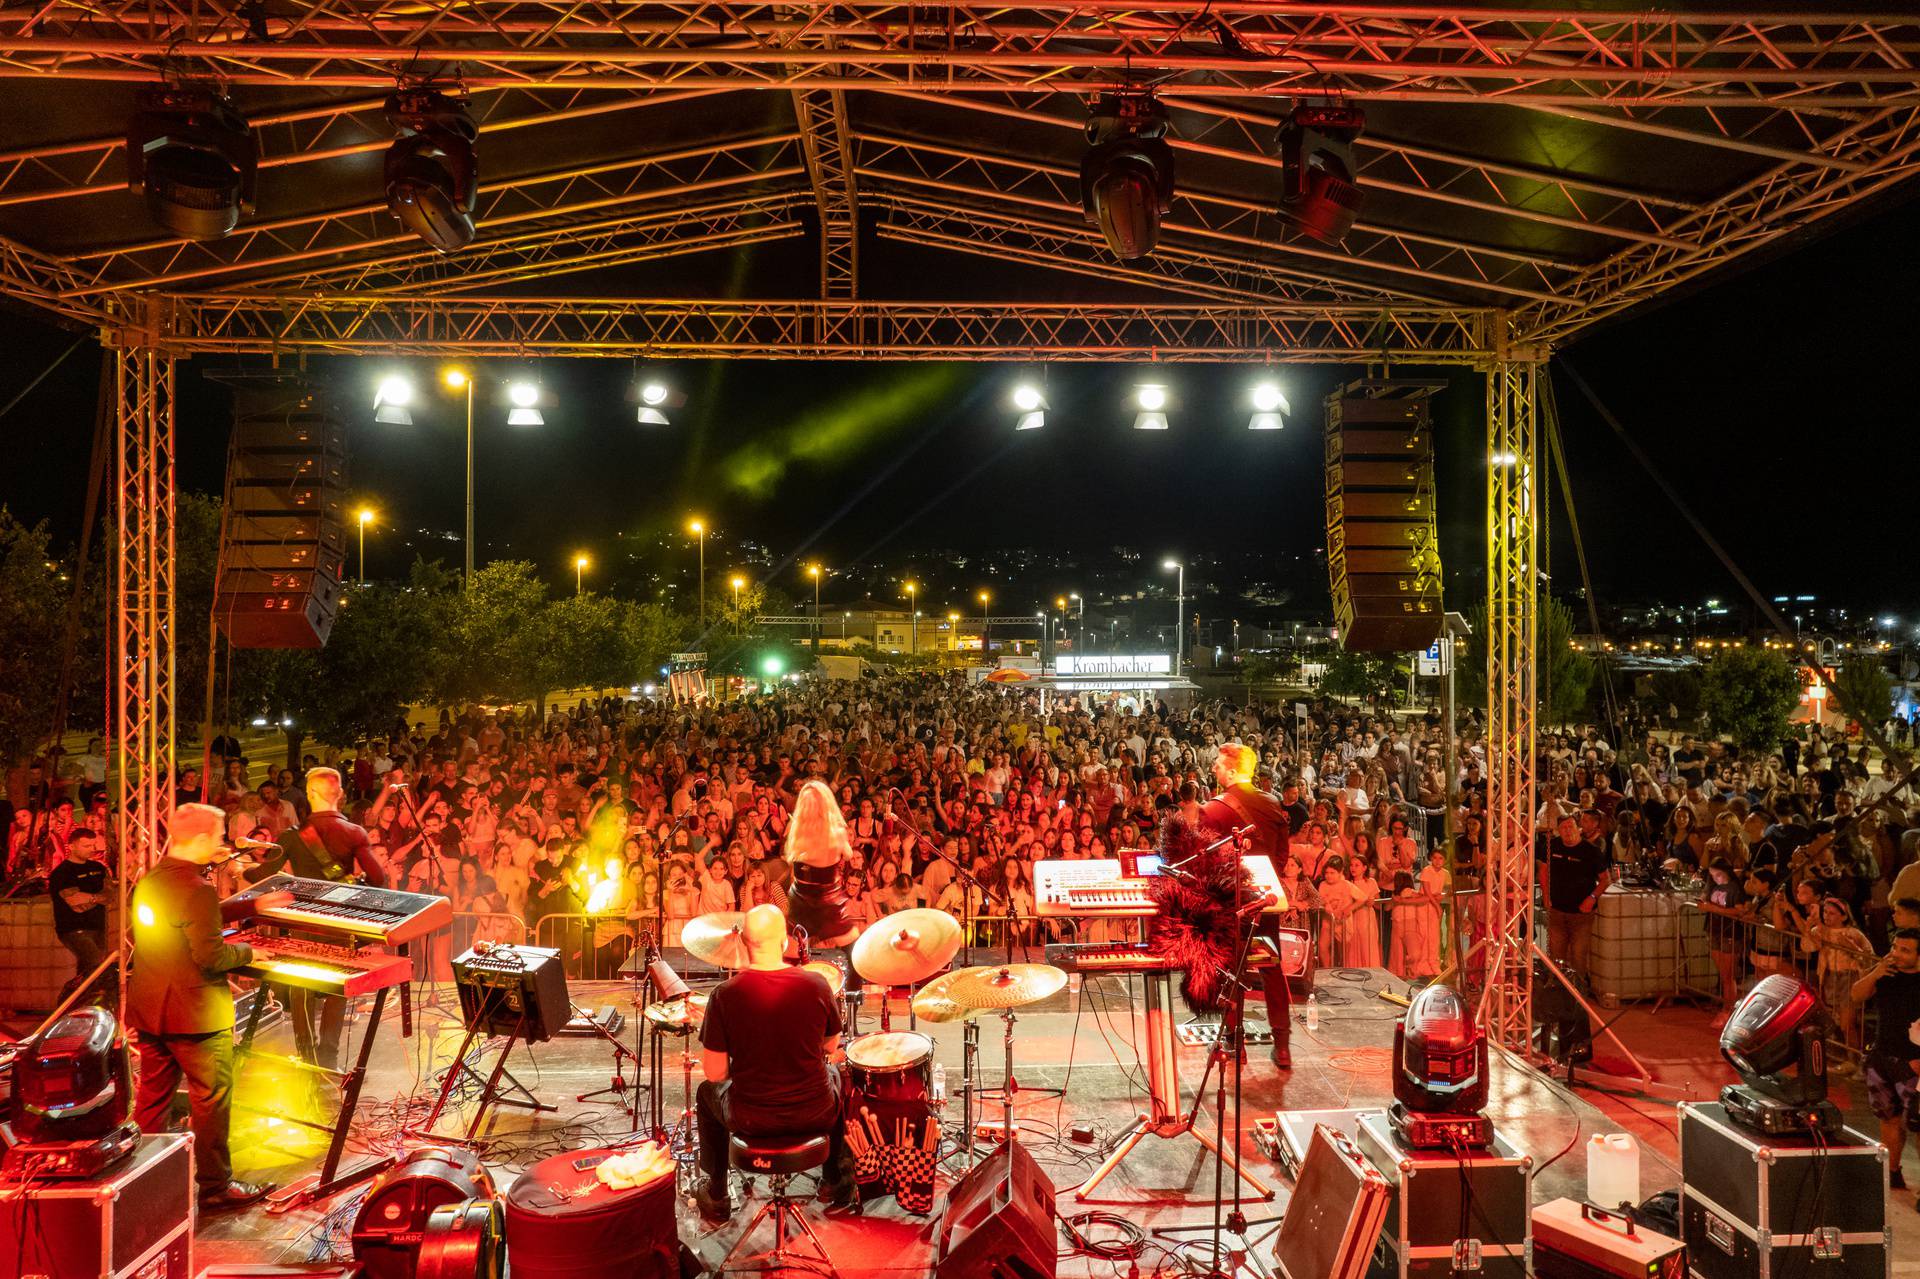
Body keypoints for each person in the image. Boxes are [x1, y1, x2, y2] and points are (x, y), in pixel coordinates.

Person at [127, 803, 290, 1211]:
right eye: (217, 836)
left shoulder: (151, 879)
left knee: (152, 1099)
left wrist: (250, 906)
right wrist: (252, 953)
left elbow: (190, 917)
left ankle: (141, 1180)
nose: (221, 844)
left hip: (152, 1008)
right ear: (200, 839)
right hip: (195, 1014)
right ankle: (216, 1187)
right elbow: (212, 957)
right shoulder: (197, 888)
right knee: (211, 1100)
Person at [694, 903, 850, 1222]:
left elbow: (715, 1072)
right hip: (814, 1113)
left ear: (743, 944)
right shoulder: (817, 985)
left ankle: (717, 1193)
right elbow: (831, 1045)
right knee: (836, 1074)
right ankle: (835, 1179)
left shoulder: (724, 995)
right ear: (785, 943)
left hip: (751, 1119)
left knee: (705, 1092)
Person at [1197, 742, 1294, 1068]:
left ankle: (1233, 1043)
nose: (1214, 769)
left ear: (1234, 769)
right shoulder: (1272, 803)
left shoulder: (1212, 810)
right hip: (1265, 902)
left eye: (1219, 764)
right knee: (1270, 968)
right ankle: (1282, 1046)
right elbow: (1282, 856)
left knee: (1231, 970)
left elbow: (1206, 861)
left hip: (1231, 905)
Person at [1850, 928, 1920, 1193]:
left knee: (1918, 1125)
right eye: (1895, 947)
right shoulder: (1886, 975)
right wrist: (1876, 973)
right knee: (1888, 1117)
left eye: (1905, 950)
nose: (1897, 954)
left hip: (1913, 1064)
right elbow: (1856, 996)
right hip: (1882, 1059)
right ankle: (1893, 1172)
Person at [1539, 812, 1610, 975]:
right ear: (1558, 830)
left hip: (1581, 914)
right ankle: (1557, 990)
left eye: (1570, 826)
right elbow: (1543, 872)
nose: (1567, 830)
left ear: (1579, 828)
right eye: (1563, 828)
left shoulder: (1592, 851)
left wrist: (1592, 898)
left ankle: (1578, 992)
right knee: (1556, 955)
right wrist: (1546, 895)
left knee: (1578, 955)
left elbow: (1606, 880)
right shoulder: (1552, 846)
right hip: (1557, 910)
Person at [50, 828, 111, 1002]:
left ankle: (80, 1005)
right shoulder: (62, 873)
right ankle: (87, 1001)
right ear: (72, 847)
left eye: (93, 845)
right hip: (73, 929)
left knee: (87, 970)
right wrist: (98, 898)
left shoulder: (98, 868)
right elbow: (76, 904)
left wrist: (90, 898)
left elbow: (111, 895)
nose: (91, 849)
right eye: (86, 845)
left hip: (98, 927)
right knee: (97, 964)